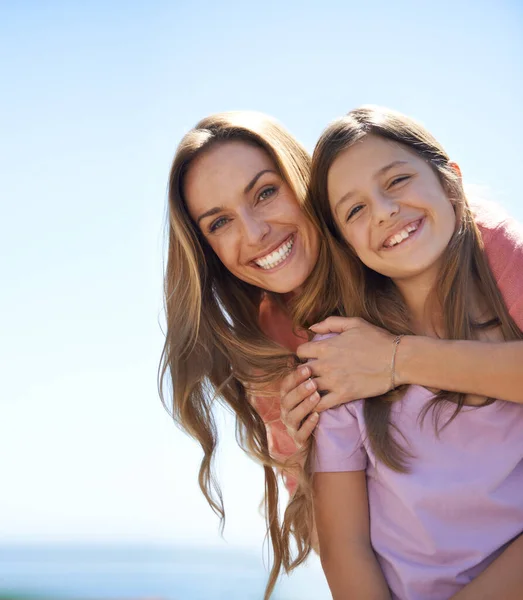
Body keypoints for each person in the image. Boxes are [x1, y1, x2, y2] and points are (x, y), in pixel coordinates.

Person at [159, 110, 523, 597]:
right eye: (220, 222)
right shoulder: (275, 347)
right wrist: (299, 455)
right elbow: (336, 540)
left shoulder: (456, 236)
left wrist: (396, 358)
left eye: (265, 192)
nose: (253, 232)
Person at [276, 106, 523, 600]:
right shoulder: (337, 359)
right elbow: (345, 548)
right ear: (344, 243)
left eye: (397, 180)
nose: (385, 210)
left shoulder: (509, 316)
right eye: (355, 210)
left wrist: (395, 359)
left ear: (450, 180)